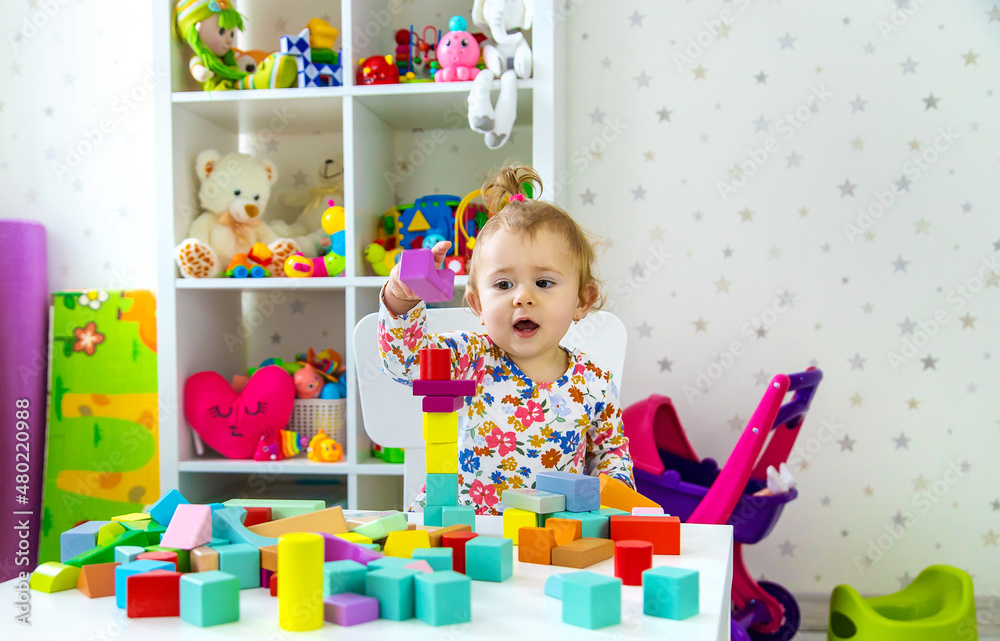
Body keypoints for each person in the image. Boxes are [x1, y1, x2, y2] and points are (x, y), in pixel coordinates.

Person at [378, 165, 634, 514]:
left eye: (543, 283)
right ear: (478, 304)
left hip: (548, 539)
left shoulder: (594, 384)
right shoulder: (470, 356)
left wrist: (613, 513)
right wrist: (400, 297)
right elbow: (404, 362)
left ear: (581, 300)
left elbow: (611, 460)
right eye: (503, 285)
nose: (522, 297)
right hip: (460, 529)